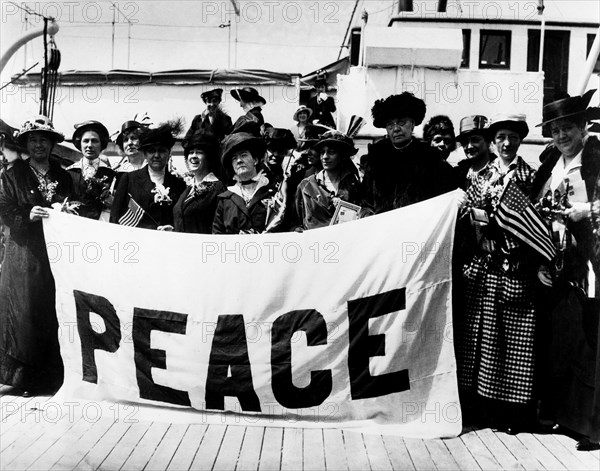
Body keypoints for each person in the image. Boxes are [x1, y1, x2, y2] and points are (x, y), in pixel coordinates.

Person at [457, 113, 541, 434]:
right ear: (493, 142)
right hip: (482, 264)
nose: (507, 143)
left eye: (513, 138)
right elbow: (473, 210)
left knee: (510, 340)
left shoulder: (529, 176)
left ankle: (508, 412)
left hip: (512, 266)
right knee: (477, 337)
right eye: (501, 138)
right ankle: (477, 405)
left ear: (520, 141)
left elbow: (531, 225)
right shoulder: (482, 174)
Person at [530, 92, 600, 451]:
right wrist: (541, 260)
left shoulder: (596, 156)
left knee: (592, 341)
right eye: (555, 130)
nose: (561, 136)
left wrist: (587, 210)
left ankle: (594, 426)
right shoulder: (551, 164)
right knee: (562, 339)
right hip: (557, 264)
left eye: (568, 128)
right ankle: (564, 414)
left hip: (591, 264)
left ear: (583, 127)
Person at [0, 116, 72, 396]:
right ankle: (24, 378)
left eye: (44, 139)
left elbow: (73, 201)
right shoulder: (13, 174)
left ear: (52, 144)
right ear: (26, 143)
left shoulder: (63, 174)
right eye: (33, 139)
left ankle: (52, 376)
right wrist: (27, 215)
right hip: (24, 251)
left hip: (56, 251)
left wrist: (67, 211)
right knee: (25, 309)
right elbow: (4, 208)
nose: (39, 144)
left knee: (53, 307)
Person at [361, 92, 457, 213]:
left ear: (412, 124)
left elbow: (445, 199)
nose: (396, 129)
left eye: (401, 122)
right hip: (383, 228)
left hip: (419, 227)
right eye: (390, 124)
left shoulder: (430, 158)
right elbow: (365, 199)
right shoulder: (377, 157)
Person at [110, 120, 186, 230]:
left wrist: (173, 229)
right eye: (151, 151)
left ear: (169, 153)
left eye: (162, 151)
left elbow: (182, 219)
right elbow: (115, 217)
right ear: (145, 154)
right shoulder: (128, 179)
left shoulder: (179, 184)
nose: (156, 155)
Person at [295, 130, 362, 231]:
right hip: (315, 242)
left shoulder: (353, 185)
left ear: (341, 156)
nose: (325, 157)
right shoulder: (306, 186)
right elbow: (294, 220)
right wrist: (297, 229)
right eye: (322, 152)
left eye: (331, 152)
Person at [212, 132, 275, 234]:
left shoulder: (272, 193)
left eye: (243, 155)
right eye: (234, 158)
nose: (239, 161)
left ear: (255, 160)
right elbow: (217, 234)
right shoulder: (225, 200)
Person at [173, 133, 225, 234]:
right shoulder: (187, 190)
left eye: (199, 152)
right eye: (191, 152)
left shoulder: (219, 189)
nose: (193, 156)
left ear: (209, 157)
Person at [67, 121, 116, 220]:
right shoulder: (69, 172)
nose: (89, 145)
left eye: (94, 141)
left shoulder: (112, 174)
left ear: (101, 144)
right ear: (79, 144)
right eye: (85, 141)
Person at [454, 115, 496, 190]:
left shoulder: (499, 171)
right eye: (465, 142)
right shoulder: (458, 173)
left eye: (475, 140)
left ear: (488, 141)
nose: (469, 146)